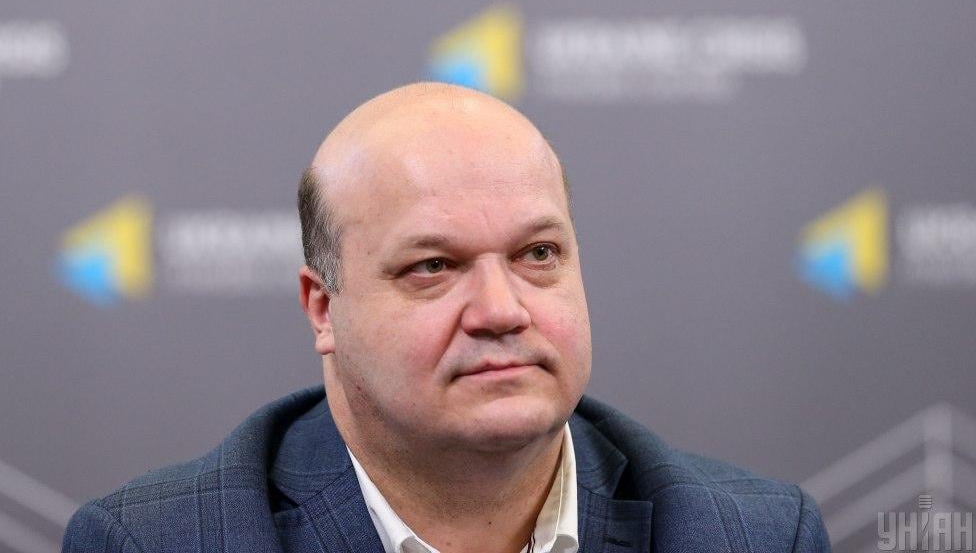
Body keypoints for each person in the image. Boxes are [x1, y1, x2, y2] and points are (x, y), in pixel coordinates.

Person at [63, 82, 831, 553]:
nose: (501, 310)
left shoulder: (749, 536)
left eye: (538, 254)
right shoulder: (161, 541)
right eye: (432, 267)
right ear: (324, 309)